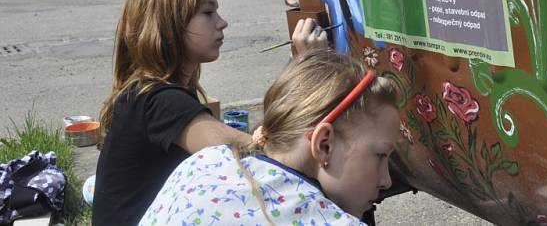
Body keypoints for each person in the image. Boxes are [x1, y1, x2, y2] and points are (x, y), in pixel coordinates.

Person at [93, 0, 328, 225]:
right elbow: (259, 157)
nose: (222, 22)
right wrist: (308, 65)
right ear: (170, 24)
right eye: (208, 13)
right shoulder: (159, 100)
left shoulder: (151, 90)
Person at [140, 48, 401, 225]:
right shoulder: (328, 220)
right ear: (324, 144)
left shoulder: (206, 161)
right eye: (380, 156)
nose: (386, 180)